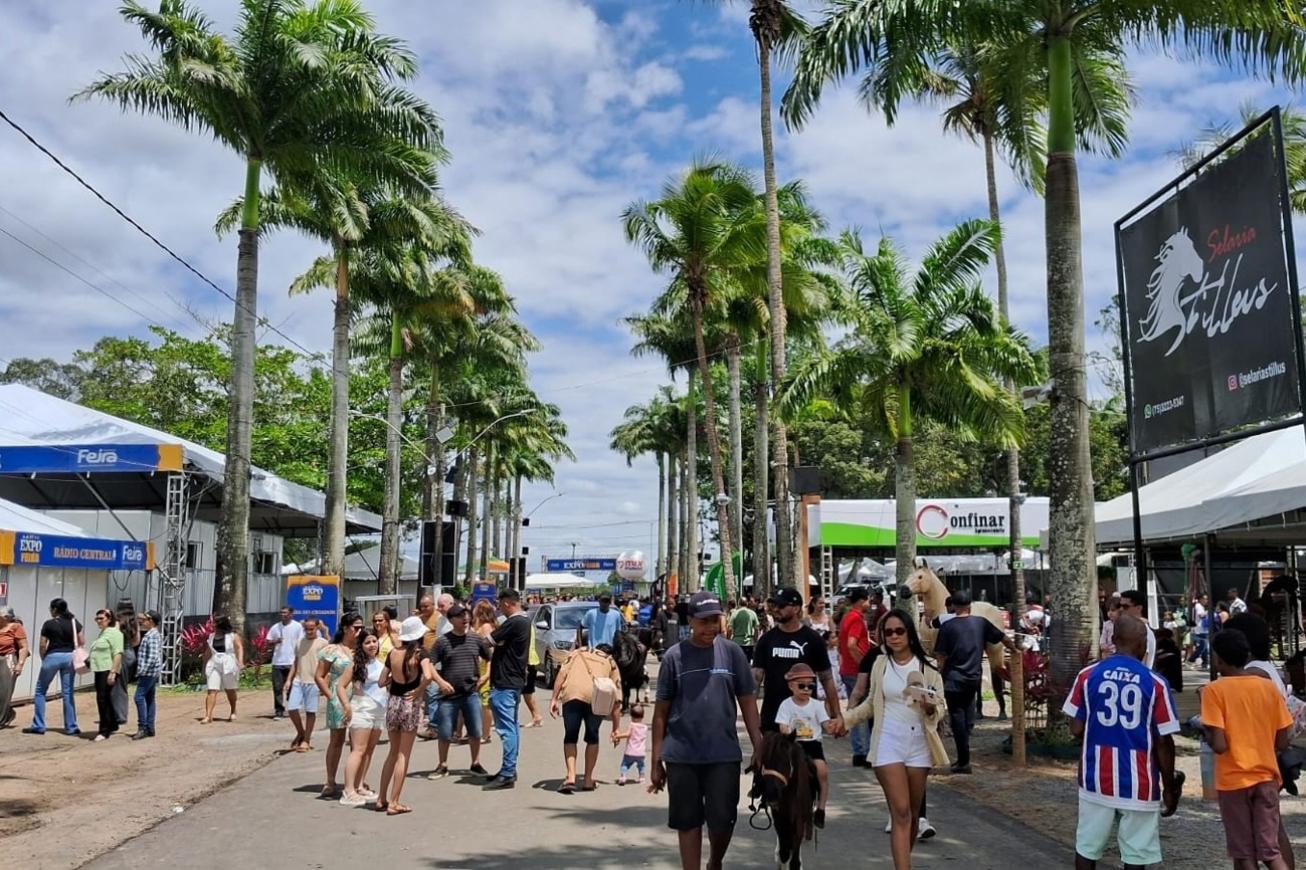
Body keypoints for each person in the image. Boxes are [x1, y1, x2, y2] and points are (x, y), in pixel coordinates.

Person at [649, 591, 763, 870]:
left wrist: (760, 747)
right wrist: (656, 760)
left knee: (723, 820)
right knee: (687, 822)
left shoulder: (733, 653)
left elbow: (748, 704)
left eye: (715, 620)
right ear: (690, 621)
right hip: (682, 756)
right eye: (704, 621)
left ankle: (715, 861)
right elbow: (660, 713)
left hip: (723, 754)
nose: (711, 627)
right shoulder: (674, 658)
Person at [1063, 614, 1182, 870]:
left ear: (1114, 640)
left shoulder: (1087, 675)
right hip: (1140, 781)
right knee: (1136, 854)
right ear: (1143, 645)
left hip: (1096, 777)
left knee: (1087, 847)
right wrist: (1169, 786)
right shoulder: (1156, 684)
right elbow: (1164, 742)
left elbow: (1075, 728)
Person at [845, 609, 948, 868]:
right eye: (887, 632)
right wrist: (844, 721)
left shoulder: (928, 668)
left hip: (919, 745)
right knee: (900, 812)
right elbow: (870, 703)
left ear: (909, 634)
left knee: (912, 816)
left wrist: (930, 707)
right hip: (887, 741)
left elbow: (941, 706)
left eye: (899, 631)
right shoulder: (880, 664)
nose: (893, 636)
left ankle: (903, 862)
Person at [1201, 628, 1293, 870]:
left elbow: (1220, 746)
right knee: (1271, 852)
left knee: (1244, 854)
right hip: (1266, 777)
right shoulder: (1267, 687)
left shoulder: (1214, 691)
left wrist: (1207, 732)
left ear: (1219, 659)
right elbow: (1283, 741)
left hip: (1234, 781)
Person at [1222, 614, 1298, 868]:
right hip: (1263, 762)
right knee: (1270, 833)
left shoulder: (1253, 674)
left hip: (1253, 764)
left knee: (1256, 841)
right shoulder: (1265, 670)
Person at [933, 589, 1014, 774]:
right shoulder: (981, 623)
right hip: (973, 677)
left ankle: (963, 760)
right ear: (970, 606)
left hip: (953, 678)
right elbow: (1002, 637)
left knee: (956, 716)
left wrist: (939, 670)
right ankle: (966, 749)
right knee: (967, 711)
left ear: (953, 606)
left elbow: (940, 655)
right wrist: (1015, 650)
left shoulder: (947, 627)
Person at [753, 587, 844, 743]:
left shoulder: (813, 639)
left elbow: (827, 679)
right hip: (773, 717)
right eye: (774, 606)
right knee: (773, 767)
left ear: (795, 608)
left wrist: (837, 715)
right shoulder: (766, 640)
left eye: (781, 606)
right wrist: (753, 720)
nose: (776, 610)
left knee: (811, 766)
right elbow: (755, 680)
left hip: (805, 720)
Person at [425, 604, 491, 779]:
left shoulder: (476, 639)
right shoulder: (443, 641)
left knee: (475, 731)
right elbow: (430, 663)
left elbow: (490, 657)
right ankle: (442, 765)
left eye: (467, 616)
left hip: (471, 693)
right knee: (445, 733)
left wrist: (486, 676)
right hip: (449, 696)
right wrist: (440, 681)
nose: (465, 619)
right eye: (461, 617)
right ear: (451, 620)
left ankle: (475, 763)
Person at [549, 636, 622, 793]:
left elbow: (561, 675)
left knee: (570, 736)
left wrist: (554, 699)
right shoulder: (610, 661)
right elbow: (617, 699)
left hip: (572, 695)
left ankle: (570, 777)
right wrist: (616, 728)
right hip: (595, 698)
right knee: (592, 736)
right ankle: (588, 780)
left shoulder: (578, 652)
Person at [376, 616, 428, 815]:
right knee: (403, 755)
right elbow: (429, 675)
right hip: (409, 703)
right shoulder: (419, 652)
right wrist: (419, 688)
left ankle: (381, 797)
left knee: (392, 752)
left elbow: (382, 681)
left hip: (393, 703)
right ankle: (394, 801)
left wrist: (393, 678)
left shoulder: (393, 653)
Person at [775, 662, 835, 829]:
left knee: (822, 770)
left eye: (810, 686)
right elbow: (782, 725)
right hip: (793, 744)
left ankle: (821, 808)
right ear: (791, 686)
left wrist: (833, 726)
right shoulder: (786, 704)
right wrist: (787, 733)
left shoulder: (816, 705)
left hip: (812, 744)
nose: (806, 689)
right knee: (779, 770)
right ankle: (775, 797)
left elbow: (825, 724)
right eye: (801, 686)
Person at [485, 588, 531, 790]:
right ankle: (509, 768)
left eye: (499, 603)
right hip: (512, 681)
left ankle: (507, 772)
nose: (498, 607)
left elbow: (488, 641)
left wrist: (484, 633)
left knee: (506, 730)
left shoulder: (515, 622)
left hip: (505, 682)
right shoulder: (522, 622)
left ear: (507, 603)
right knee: (511, 727)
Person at [315, 612, 362, 797]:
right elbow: (319, 676)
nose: (359, 631)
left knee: (358, 742)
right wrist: (330, 696)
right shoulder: (332, 650)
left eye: (361, 628)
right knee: (336, 740)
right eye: (355, 627)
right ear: (345, 628)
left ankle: (355, 780)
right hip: (338, 697)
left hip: (359, 697)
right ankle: (330, 780)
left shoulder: (363, 648)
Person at [340, 629, 385, 807]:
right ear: (361, 646)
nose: (372, 645)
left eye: (374, 641)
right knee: (358, 750)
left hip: (379, 710)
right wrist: (346, 706)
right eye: (367, 642)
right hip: (362, 708)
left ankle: (359, 785)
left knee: (369, 750)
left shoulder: (380, 663)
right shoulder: (355, 665)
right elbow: (341, 686)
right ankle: (348, 790)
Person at [26, 598, 82, 735]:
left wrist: (44, 658)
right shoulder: (74, 623)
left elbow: (42, 644)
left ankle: (38, 725)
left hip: (52, 656)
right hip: (69, 657)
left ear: (54, 610)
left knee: (40, 691)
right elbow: (82, 640)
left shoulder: (49, 624)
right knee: (68, 692)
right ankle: (71, 727)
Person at [838, 587, 872, 766]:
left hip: (847, 669)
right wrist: (864, 665)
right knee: (863, 712)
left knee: (855, 709)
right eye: (868, 599)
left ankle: (859, 751)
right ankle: (864, 751)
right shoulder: (857, 619)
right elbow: (852, 644)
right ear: (861, 601)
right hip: (856, 670)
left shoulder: (846, 617)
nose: (870, 603)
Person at [285, 616, 326, 752]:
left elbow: (328, 663)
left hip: (313, 682)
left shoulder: (322, 643)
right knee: (292, 708)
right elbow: (296, 662)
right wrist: (289, 679)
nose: (309, 632)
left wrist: (324, 682)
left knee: (310, 711)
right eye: (306, 629)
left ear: (316, 628)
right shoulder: (299, 642)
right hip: (299, 679)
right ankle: (301, 732)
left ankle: (306, 739)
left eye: (312, 629)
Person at [89, 609, 124, 742]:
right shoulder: (103, 633)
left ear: (109, 619)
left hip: (107, 670)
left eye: (101, 618)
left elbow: (118, 653)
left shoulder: (115, 633)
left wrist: (113, 672)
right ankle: (112, 723)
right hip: (99, 669)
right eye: (97, 618)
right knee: (105, 699)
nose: (98, 621)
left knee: (102, 699)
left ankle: (104, 730)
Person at [201, 616, 243, 724]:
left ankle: (233, 710)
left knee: (230, 689)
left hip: (228, 663)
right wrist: (205, 663)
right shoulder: (211, 636)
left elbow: (239, 647)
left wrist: (240, 661)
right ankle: (208, 715)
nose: (212, 625)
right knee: (212, 689)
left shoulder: (232, 636)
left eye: (214, 623)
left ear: (220, 624)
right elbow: (209, 651)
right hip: (215, 663)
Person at [267, 606, 303, 721]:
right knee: (277, 688)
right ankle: (279, 710)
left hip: (291, 662)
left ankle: (292, 704)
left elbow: (301, 642)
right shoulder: (275, 627)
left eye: (285, 613)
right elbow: (268, 641)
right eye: (281, 612)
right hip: (278, 661)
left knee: (292, 686)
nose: (283, 615)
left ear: (291, 614)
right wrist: (275, 641)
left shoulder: (297, 627)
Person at [131, 610, 162, 740]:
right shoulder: (150, 634)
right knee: (149, 698)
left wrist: (143, 670)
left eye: (146, 619)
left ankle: (143, 727)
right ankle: (149, 727)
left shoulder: (153, 635)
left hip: (149, 672)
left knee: (138, 697)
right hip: (150, 672)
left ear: (152, 621)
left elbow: (153, 656)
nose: (143, 621)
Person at [473, 600, 498, 743]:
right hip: (480, 665)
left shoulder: (486, 627)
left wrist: (487, 673)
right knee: (482, 701)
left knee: (485, 702)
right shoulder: (482, 626)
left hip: (485, 666)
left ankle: (486, 734)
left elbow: (490, 651)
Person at [0, 606, 30, 727]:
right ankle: (8, 713)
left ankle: (1, 720)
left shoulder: (16, 627)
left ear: (6, 617)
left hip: (8, 659)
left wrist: (20, 664)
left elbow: (23, 647)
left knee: (4, 691)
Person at [1118, 589, 1156, 669]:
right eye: (1119, 606)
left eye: (1125, 607)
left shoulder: (1143, 632)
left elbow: (1142, 664)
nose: (1120, 610)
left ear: (1139, 608)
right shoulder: (1126, 629)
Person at [613, 703, 648, 785]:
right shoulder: (645, 727)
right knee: (641, 765)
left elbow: (627, 734)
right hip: (641, 752)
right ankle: (641, 777)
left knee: (625, 764)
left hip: (630, 751)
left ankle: (623, 776)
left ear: (631, 716)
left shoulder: (632, 725)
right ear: (642, 716)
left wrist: (618, 736)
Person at [522, 609, 544, 729]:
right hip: (530, 661)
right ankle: (536, 716)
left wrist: (524, 664)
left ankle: (537, 716)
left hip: (528, 662)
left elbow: (526, 646)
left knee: (527, 692)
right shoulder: (529, 626)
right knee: (527, 692)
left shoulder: (526, 627)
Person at [726, 594, 759, 663]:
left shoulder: (734, 614)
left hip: (737, 642)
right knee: (747, 663)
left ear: (738, 604)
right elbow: (756, 628)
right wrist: (755, 640)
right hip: (749, 642)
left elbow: (729, 629)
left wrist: (728, 639)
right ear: (747, 603)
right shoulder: (753, 613)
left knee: (736, 663)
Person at [1190, 594, 1211, 668]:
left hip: (1202, 629)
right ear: (1200, 599)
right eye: (1205, 599)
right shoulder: (1198, 606)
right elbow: (1201, 615)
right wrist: (1208, 611)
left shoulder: (1200, 606)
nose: (1206, 600)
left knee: (1204, 647)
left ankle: (1205, 662)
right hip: (1200, 629)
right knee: (1203, 646)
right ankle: (1191, 659)